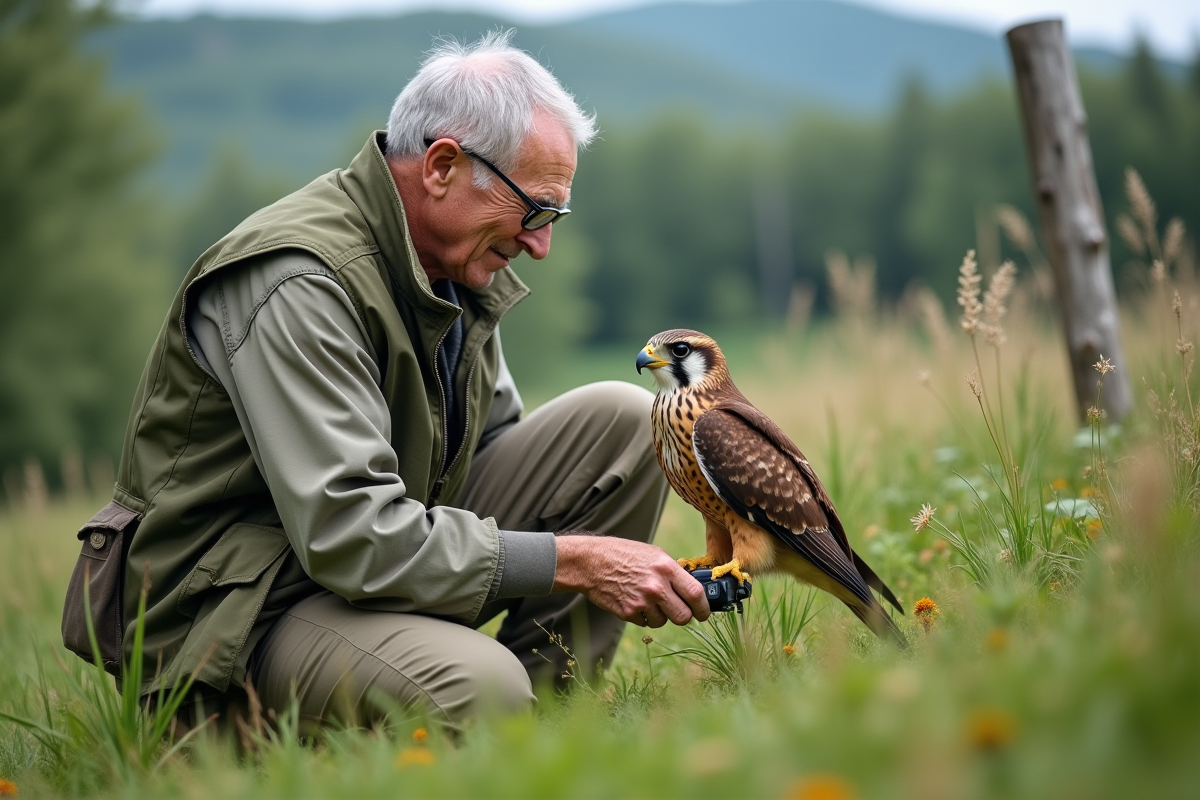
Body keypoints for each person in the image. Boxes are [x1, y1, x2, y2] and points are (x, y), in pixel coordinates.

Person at [70, 30, 709, 734]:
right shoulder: (299, 279)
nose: (540, 243)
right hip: (240, 616)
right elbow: (353, 534)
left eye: (554, 217)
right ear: (442, 166)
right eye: (535, 210)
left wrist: (574, 554)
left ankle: (553, 732)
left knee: (624, 421)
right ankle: (467, 724)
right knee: (481, 689)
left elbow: (490, 449)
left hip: (349, 573)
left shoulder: (448, 260)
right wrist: (576, 561)